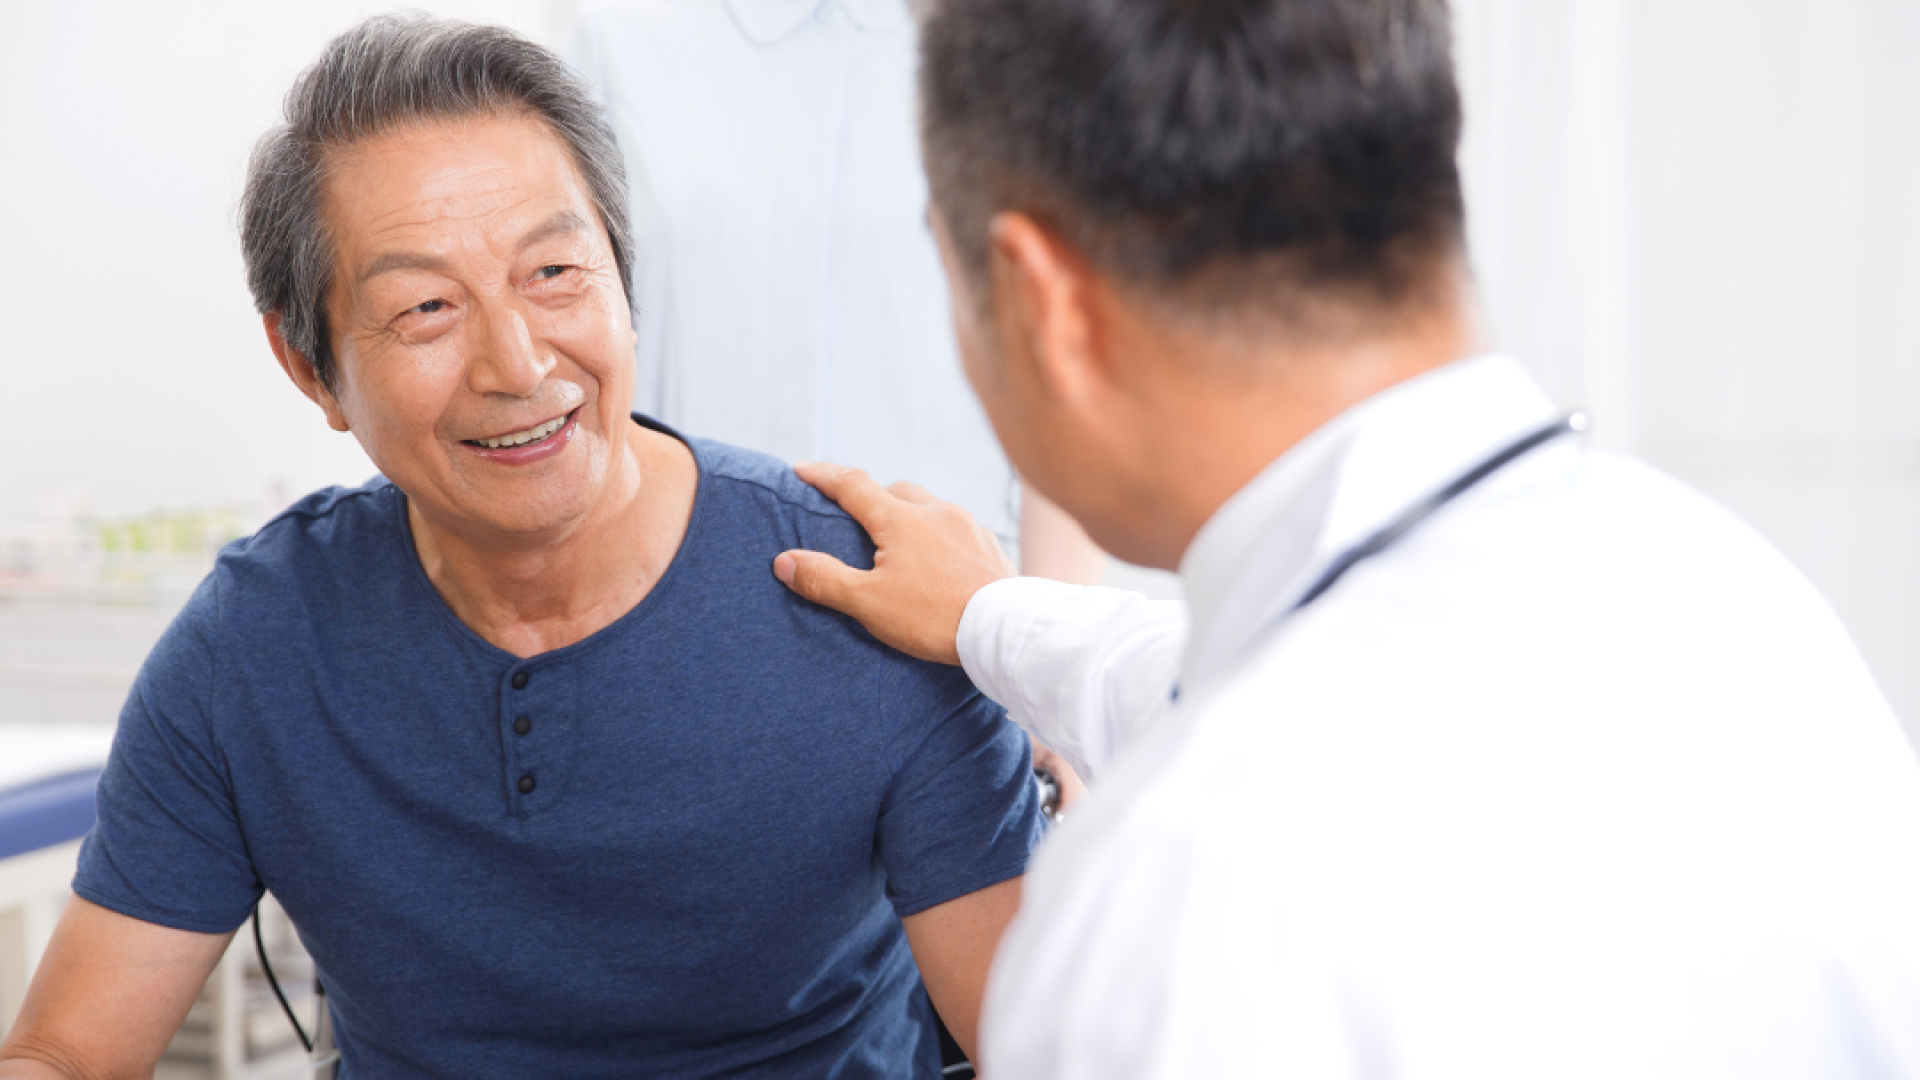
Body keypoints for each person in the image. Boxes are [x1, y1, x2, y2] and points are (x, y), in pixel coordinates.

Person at [770, 0, 1920, 1075]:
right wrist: (990, 615)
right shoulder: (1728, 590)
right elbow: (1241, 675)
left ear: (1038, 301)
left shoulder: (1181, 899)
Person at [0, 17, 1040, 1079]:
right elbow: (70, 1052)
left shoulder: (862, 599)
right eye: (426, 307)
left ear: (624, 281)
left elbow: (1045, 1047)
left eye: (553, 271)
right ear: (307, 366)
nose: (517, 359)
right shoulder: (255, 646)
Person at [568, 0, 1098, 811]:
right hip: (674, 652)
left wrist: (1047, 682)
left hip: (953, 669)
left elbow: (1060, 373)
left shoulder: (1017, 46)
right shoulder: (619, 39)